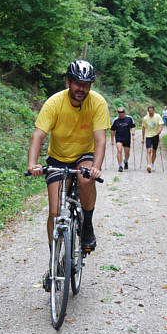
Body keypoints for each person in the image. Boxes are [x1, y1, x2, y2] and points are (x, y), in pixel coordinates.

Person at [27, 60, 110, 290]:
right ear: (68, 82)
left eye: (86, 85)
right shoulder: (54, 103)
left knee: (86, 179)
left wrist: (97, 166)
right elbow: (38, 135)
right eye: (77, 84)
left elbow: (100, 138)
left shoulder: (97, 103)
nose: (81, 89)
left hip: (84, 154)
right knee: (54, 212)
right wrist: (32, 163)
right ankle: (55, 263)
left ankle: (87, 226)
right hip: (58, 158)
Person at [141, 106, 164, 173]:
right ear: (148, 111)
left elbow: (161, 124)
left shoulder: (158, 116)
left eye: (151, 111)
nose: (150, 112)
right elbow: (143, 128)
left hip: (155, 135)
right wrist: (142, 138)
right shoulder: (145, 118)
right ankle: (148, 165)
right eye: (149, 111)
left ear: (154, 110)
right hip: (148, 136)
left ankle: (152, 164)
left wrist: (159, 130)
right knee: (149, 150)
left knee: (154, 151)